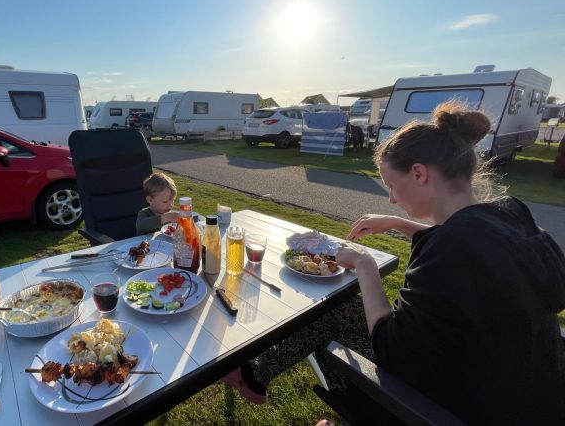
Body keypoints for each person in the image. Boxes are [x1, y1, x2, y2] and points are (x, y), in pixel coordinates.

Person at [227, 101, 565, 424]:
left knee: (328, 313)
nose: (390, 198)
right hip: (530, 396)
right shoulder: (510, 214)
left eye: (390, 185)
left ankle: (260, 379)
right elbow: (477, 245)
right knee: (342, 310)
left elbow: (392, 350)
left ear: (418, 173)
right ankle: (255, 375)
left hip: (449, 408)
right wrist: (400, 223)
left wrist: (365, 266)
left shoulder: (450, 251)